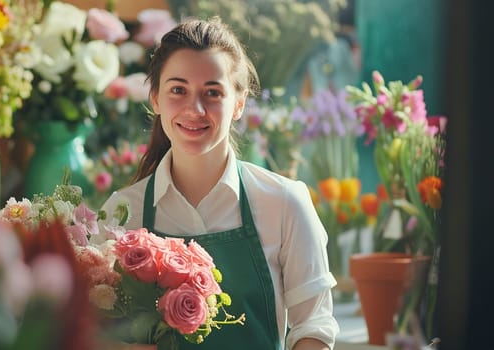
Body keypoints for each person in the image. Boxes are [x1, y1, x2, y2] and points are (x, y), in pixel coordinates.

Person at [101, 16, 339, 350]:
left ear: (239, 103)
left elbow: (313, 324)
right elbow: (90, 329)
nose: (194, 109)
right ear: (155, 99)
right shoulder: (121, 213)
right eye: (178, 90)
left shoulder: (284, 203)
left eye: (212, 93)